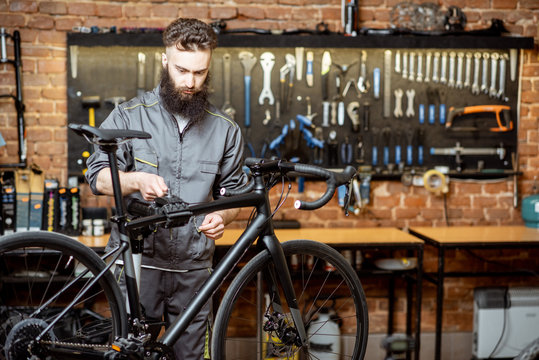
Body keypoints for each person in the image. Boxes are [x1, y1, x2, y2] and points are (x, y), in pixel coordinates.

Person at [85, 18, 247, 359]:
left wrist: (224, 215)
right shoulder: (128, 117)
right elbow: (97, 177)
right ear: (164, 61)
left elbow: (234, 195)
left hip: (194, 270)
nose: (190, 82)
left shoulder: (225, 130)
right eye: (182, 70)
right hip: (139, 265)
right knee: (133, 354)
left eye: (200, 73)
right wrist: (136, 180)